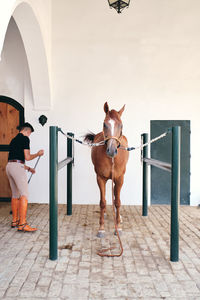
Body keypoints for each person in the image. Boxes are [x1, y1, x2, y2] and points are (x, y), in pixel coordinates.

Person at [6, 122, 44, 232]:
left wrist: (28, 169)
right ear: (27, 130)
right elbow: (27, 157)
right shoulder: (25, 139)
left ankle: (15, 221)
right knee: (24, 194)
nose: (29, 135)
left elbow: (15, 159)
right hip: (17, 168)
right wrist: (38, 154)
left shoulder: (13, 140)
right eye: (30, 133)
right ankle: (22, 224)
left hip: (9, 167)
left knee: (15, 194)